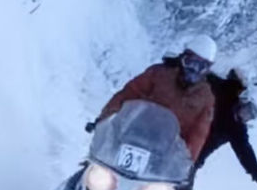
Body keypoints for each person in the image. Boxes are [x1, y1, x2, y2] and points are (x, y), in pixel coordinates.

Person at [93, 33, 217, 164]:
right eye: (190, 62)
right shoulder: (159, 74)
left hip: (165, 154)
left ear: (207, 70)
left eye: (201, 67)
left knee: (173, 184)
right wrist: (104, 119)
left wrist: (187, 161)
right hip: (132, 135)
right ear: (182, 58)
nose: (194, 70)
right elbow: (128, 94)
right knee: (96, 168)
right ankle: (77, 181)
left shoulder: (206, 97)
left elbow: (198, 133)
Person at [197, 70, 257, 185]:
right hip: (175, 135)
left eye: (254, 116)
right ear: (245, 98)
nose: (249, 117)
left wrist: (254, 168)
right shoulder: (221, 91)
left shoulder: (236, 128)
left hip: (191, 160)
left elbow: (243, 148)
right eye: (250, 111)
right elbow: (199, 77)